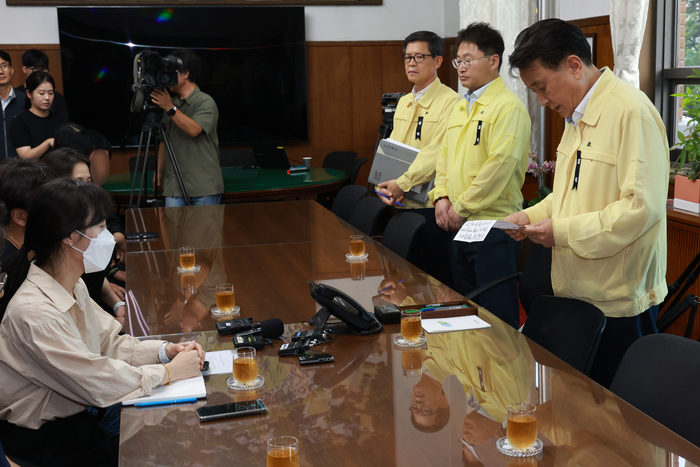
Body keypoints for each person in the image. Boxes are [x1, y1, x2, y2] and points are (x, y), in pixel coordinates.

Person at [505, 18, 669, 388]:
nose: (543, 101)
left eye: (543, 87)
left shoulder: (631, 112)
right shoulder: (576, 117)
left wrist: (560, 232)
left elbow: (641, 209)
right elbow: (567, 197)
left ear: (575, 66)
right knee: (577, 414)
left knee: (617, 423)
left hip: (617, 303)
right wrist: (527, 216)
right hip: (574, 293)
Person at [0, 179, 205, 466]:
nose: (109, 236)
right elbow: (95, 381)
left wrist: (165, 352)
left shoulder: (71, 283)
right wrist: (168, 374)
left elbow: (110, 343)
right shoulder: (34, 312)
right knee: (169, 447)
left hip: (82, 418)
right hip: (51, 441)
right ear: (70, 237)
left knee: (178, 427)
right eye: (100, 227)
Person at [429, 23, 531, 329]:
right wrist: (441, 197)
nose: (460, 68)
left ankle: (503, 376)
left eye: (468, 59)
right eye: (457, 60)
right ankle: (472, 377)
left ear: (494, 60)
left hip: (492, 229)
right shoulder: (461, 106)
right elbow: (443, 157)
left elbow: (498, 167)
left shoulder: (508, 108)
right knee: (465, 314)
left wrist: (459, 208)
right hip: (458, 226)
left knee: (497, 320)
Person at [375, 31, 461, 288]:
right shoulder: (403, 102)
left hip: (430, 208)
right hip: (400, 205)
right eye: (407, 57)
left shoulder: (452, 102)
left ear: (437, 61)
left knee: (436, 283)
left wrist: (403, 182)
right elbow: (393, 149)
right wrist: (382, 186)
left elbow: (437, 153)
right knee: (405, 283)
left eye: (419, 57)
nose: (411, 63)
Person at [150, 49, 223, 207]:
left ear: (186, 74)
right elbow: (164, 141)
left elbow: (194, 130)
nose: (166, 76)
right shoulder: (170, 103)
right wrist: (159, 171)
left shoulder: (205, 102)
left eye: (170, 72)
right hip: (174, 186)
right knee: (174, 232)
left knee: (202, 232)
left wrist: (170, 108)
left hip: (203, 186)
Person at [0, 158, 56, 267]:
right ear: (20, 216)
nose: (57, 213)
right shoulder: (7, 266)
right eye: (48, 207)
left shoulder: (36, 250)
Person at [9, 72, 69, 159]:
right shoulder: (20, 122)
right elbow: (25, 157)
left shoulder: (60, 120)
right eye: (41, 93)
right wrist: (48, 143)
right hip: (34, 171)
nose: (47, 98)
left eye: (51, 93)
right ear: (29, 94)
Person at [15, 49, 69, 122]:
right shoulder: (15, 95)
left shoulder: (57, 98)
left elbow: (63, 125)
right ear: (25, 69)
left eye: (43, 69)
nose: (40, 73)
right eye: (35, 69)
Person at [0, 50, 26, 162]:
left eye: (4, 66)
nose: (1, 71)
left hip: (21, 169)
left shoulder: (25, 100)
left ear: (11, 70)